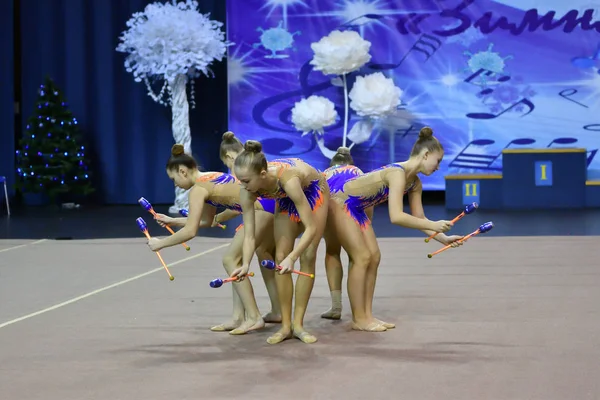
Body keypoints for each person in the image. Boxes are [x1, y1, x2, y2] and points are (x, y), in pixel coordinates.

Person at [328, 127, 463, 332]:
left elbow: (420, 218)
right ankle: (359, 319)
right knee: (362, 257)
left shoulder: (414, 183)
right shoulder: (397, 173)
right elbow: (397, 216)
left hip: (356, 208)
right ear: (425, 155)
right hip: (340, 202)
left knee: (374, 257)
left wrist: (443, 238)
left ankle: (367, 315)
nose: (438, 167)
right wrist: (433, 225)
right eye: (438, 161)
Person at [147, 144, 275, 335]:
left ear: (182, 171)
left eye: (173, 179)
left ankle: (254, 316)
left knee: (230, 259)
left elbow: (191, 231)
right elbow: (207, 220)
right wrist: (173, 221)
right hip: (267, 209)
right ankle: (238, 317)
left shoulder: (198, 189)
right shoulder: (210, 177)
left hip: (261, 211)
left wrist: (160, 244)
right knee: (235, 261)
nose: (175, 184)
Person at [230, 141, 330, 345]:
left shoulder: (289, 179)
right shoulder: (247, 190)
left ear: (263, 174)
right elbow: (250, 235)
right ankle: (285, 326)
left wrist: (293, 258)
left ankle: (299, 325)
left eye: (246, 180)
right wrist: (246, 265)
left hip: (313, 191)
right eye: (239, 180)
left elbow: (310, 228)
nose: (242, 185)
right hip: (284, 196)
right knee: (280, 258)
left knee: (307, 256)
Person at [217, 131, 281, 325]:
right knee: (264, 253)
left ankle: (248, 316)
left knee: (231, 259)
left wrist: (217, 217)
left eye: (226, 163)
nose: (229, 167)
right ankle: (277, 311)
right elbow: (241, 206)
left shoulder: (241, 172)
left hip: (263, 209)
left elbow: (243, 205)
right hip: (274, 209)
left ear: (228, 157)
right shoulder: (251, 165)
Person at [320, 147, 372, 321]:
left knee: (332, 250)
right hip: (350, 207)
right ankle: (357, 306)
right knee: (356, 255)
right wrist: (366, 225)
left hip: (329, 208)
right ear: (350, 162)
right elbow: (367, 198)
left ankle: (336, 306)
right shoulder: (357, 171)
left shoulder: (324, 173)